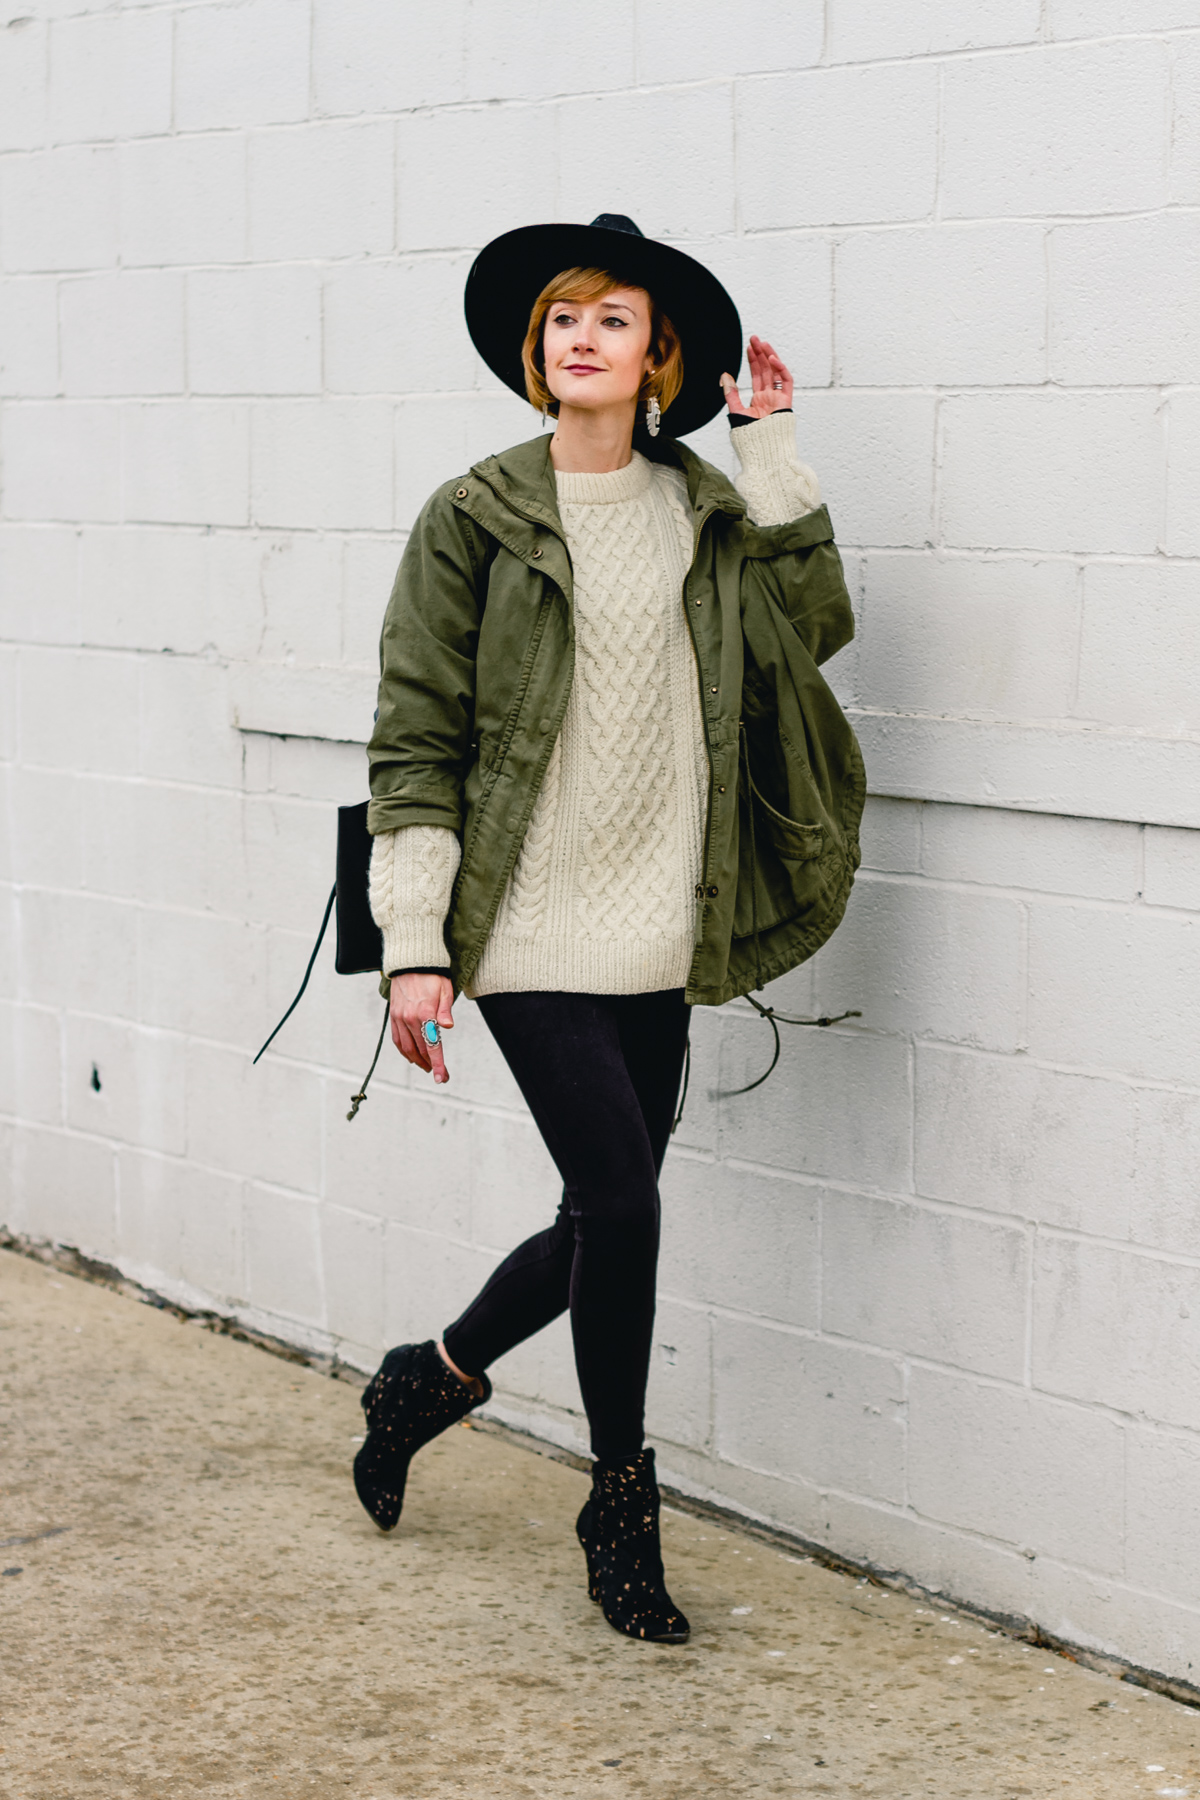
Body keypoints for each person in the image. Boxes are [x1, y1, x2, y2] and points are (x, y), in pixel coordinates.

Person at [354, 215, 864, 1644]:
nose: (583, 338)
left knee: (598, 1210)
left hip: (663, 915)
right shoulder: (473, 515)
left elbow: (814, 628)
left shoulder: (702, 511)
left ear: (660, 360)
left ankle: (429, 1376)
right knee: (629, 1204)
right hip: (518, 919)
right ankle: (619, 1505)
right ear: (539, 352)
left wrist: (767, 447)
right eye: (563, 320)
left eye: (614, 320)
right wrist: (412, 942)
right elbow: (413, 739)